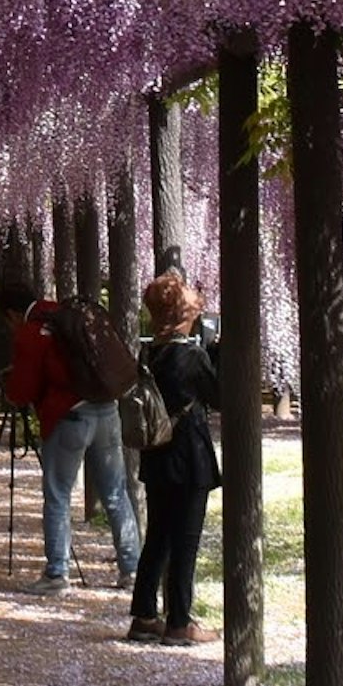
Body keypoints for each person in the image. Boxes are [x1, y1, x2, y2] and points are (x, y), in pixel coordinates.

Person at [1, 255, 142, 597]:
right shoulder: (68, 314)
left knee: (58, 495)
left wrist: (10, 391)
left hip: (68, 417)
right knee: (116, 493)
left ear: (12, 314)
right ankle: (132, 569)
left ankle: (56, 573)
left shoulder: (32, 333)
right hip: (105, 409)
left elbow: (23, 390)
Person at [126, 270, 221, 644]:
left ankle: (145, 614)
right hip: (188, 456)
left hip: (158, 455)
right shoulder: (189, 356)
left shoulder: (150, 353)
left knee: (159, 537)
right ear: (184, 314)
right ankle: (180, 620)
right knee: (185, 540)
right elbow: (219, 396)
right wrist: (218, 351)